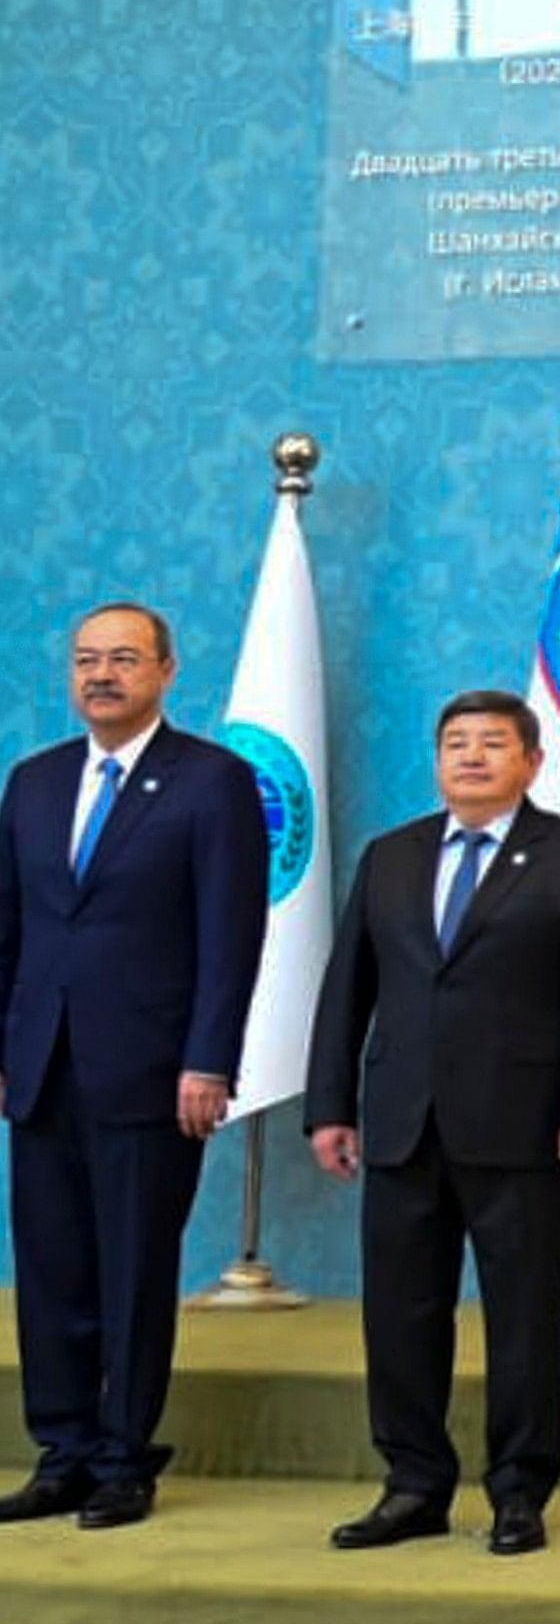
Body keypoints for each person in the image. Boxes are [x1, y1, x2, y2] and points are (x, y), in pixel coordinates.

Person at [304, 689, 560, 1557]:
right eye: (455, 742)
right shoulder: (391, 856)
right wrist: (329, 1106)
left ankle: (519, 1493)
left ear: (531, 762)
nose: (471, 757)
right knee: (400, 1316)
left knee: (526, 1320)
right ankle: (413, 1485)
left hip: (529, 1129)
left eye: (493, 743)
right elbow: (348, 990)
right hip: (400, 1125)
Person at [0, 602, 266, 1531]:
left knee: (133, 1270)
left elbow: (232, 936)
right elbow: (11, 929)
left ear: (165, 670)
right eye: (84, 660)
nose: (100, 675)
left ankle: (123, 1460)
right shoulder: (32, 783)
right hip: (41, 1070)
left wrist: (209, 1059)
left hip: (154, 1073)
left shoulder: (212, 782)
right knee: (51, 1271)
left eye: (121, 658)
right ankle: (62, 1451)